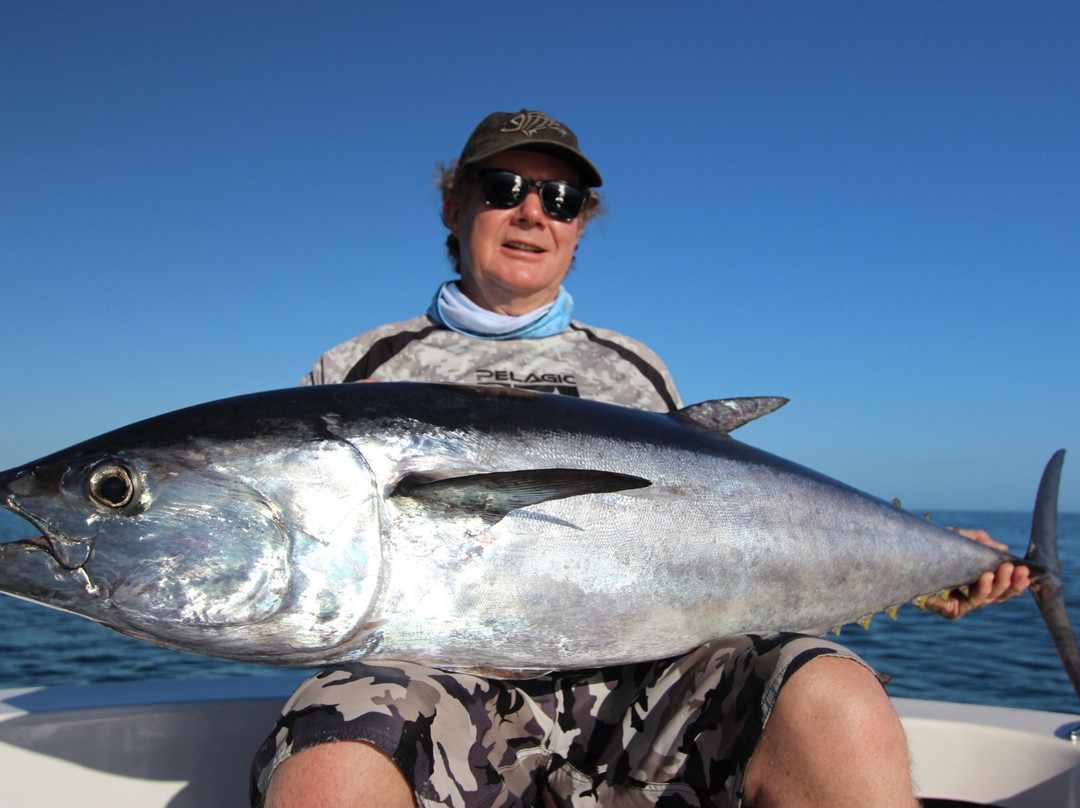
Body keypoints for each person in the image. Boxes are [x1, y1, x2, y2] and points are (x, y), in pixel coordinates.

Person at [250, 109, 1028, 808]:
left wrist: (925, 572)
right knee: (330, 771)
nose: (532, 212)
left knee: (838, 703)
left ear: (580, 227)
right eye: (504, 187)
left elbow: (720, 535)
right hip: (433, 682)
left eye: (561, 200)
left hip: (638, 688)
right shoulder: (359, 369)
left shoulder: (632, 369)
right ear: (454, 205)